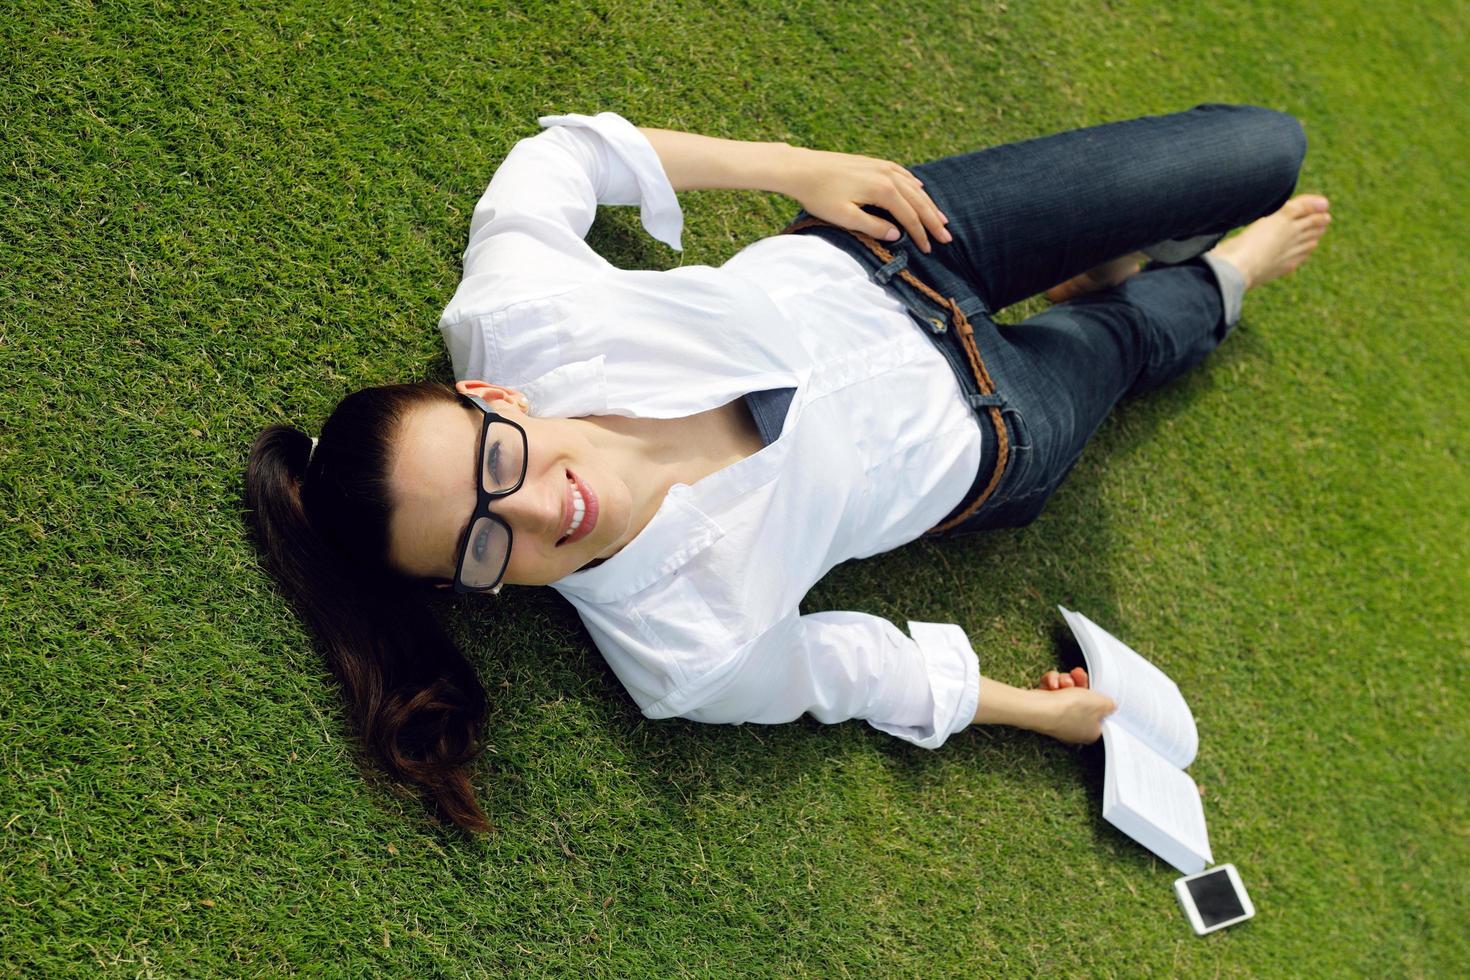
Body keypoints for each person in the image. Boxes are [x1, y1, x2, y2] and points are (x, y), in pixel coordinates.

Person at [245, 104, 1330, 830]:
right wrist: (1040, 715)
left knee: (1263, 149)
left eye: (499, 459)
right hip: (994, 432)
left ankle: (1108, 280)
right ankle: (1202, 289)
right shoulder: (681, 653)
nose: (542, 507)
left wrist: (795, 167)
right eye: (487, 541)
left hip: (906, 247)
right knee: (1142, 332)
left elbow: (564, 154)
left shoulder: (519, 314)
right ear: (461, 586)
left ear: (493, 399)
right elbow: (851, 670)